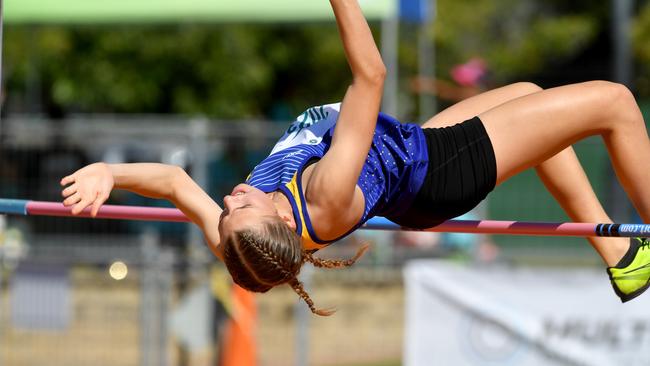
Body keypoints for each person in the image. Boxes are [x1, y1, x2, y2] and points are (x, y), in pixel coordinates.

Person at [60, 0, 650, 315]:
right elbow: (371, 75)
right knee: (616, 103)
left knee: (530, 100)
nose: (231, 197)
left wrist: (109, 172)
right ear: (285, 222)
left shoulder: (241, 242)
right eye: (240, 206)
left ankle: (623, 253)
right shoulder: (325, 195)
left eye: (229, 208)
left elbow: (170, 180)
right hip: (437, 171)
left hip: (413, 152)